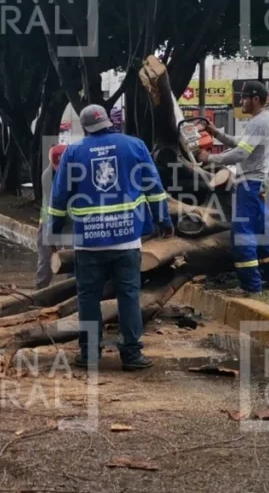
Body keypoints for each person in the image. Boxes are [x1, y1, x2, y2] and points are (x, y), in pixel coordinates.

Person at [50, 105, 174, 371]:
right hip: (126, 240)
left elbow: (59, 197)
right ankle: (131, 355)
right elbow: (154, 188)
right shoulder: (135, 145)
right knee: (128, 296)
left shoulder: (73, 152)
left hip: (88, 242)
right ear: (109, 122)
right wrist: (164, 220)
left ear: (85, 128)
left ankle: (89, 354)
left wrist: (54, 230)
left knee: (88, 298)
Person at [198, 81, 269, 293]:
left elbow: (241, 153)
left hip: (251, 183)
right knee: (263, 232)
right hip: (264, 182)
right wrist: (216, 133)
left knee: (242, 233)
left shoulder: (259, 122)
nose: (241, 101)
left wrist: (210, 158)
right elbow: (241, 143)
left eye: (244, 97)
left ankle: (250, 285)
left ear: (255, 99)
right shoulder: (264, 119)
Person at [36, 144, 67, 290]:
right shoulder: (47, 177)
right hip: (49, 222)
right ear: (51, 162)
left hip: (69, 224)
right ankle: (40, 294)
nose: (59, 168)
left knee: (74, 261)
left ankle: (73, 293)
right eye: (56, 165)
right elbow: (55, 207)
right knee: (46, 263)